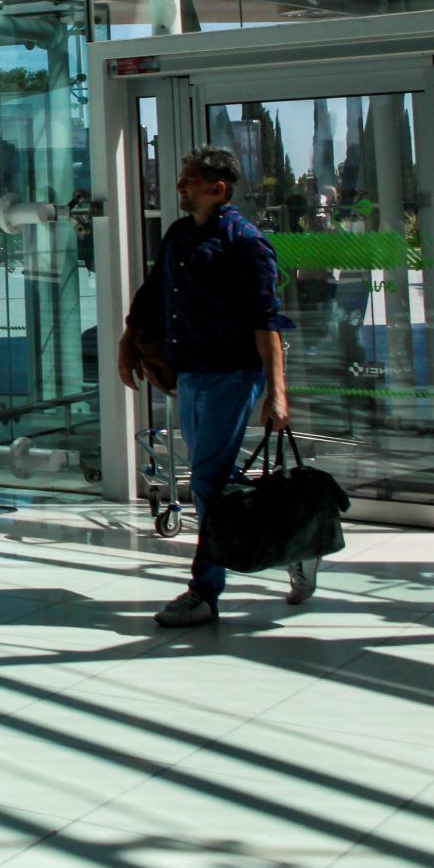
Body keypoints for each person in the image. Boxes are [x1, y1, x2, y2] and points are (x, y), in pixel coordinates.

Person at [118, 146, 311, 627]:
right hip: (191, 375)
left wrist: (276, 392)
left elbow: (266, 321)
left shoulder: (245, 242)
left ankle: (204, 592)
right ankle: (296, 540)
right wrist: (128, 339)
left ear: (217, 189)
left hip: (231, 375)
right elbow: (153, 291)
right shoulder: (180, 235)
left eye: (188, 179)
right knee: (216, 481)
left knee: (206, 480)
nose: (179, 186)